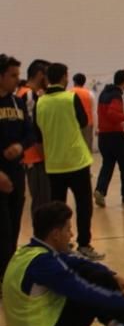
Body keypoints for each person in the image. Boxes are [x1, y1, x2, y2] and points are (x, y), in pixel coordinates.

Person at [34, 63, 103, 260]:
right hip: (76, 161)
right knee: (83, 205)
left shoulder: (40, 103)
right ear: (64, 77)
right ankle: (84, 244)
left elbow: (37, 135)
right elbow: (83, 122)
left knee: (57, 208)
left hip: (54, 164)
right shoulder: (71, 98)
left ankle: (59, 246)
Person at [0, 54, 32, 282]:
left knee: (12, 230)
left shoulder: (18, 102)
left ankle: (8, 278)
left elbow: (30, 133)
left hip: (16, 174)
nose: (17, 80)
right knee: (2, 231)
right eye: (12, 76)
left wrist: (20, 146)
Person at [95, 70, 124, 207]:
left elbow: (104, 113)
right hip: (115, 136)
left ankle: (100, 190)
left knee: (107, 164)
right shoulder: (116, 95)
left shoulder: (103, 93)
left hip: (103, 136)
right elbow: (112, 113)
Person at [18, 59, 50, 214]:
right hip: (35, 156)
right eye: (47, 75)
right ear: (39, 75)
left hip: (32, 156)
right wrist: (44, 154)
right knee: (41, 202)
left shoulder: (24, 93)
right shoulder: (28, 95)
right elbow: (33, 129)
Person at [70, 73, 94, 152]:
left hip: (73, 124)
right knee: (87, 148)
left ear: (74, 82)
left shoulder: (69, 93)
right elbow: (93, 111)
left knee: (75, 148)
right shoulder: (89, 93)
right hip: (88, 124)